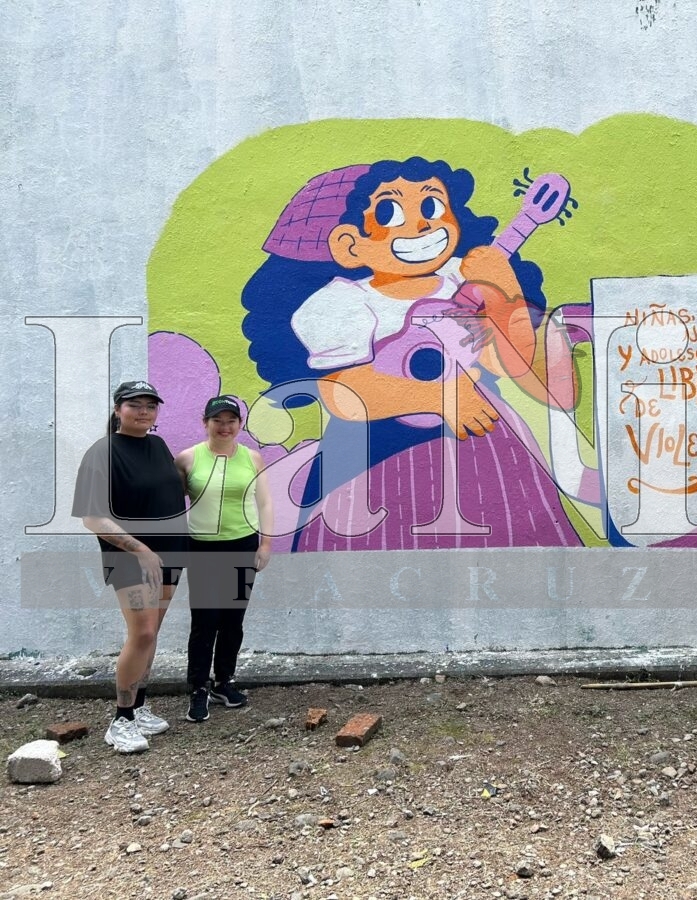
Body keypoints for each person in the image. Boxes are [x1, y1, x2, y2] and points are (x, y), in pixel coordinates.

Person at [241, 158, 581, 551]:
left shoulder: (466, 278)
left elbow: (527, 374)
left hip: (486, 444)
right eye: (390, 212)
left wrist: (505, 294)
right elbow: (342, 392)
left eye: (433, 207)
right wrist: (437, 398)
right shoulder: (343, 303)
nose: (421, 225)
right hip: (374, 458)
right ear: (350, 246)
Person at [72, 381, 186, 753]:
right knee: (142, 634)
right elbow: (93, 518)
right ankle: (120, 720)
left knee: (153, 633)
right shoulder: (102, 452)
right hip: (131, 559)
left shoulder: (157, 445)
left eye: (150, 406)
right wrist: (141, 550)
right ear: (118, 409)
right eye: (134, 404)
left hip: (171, 554)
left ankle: (138, 708)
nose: (143, 411)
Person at [175, 395, 273, 723]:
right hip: (203, 548)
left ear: (239, 425)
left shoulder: (252, 458)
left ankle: (223, 683)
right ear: (205, 423)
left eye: (231, 421)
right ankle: (199, 687)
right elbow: (171, 506)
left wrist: (265, 545)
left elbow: (266, 504)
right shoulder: (187, 459)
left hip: (243, 545)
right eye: (218, 420)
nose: (225, 427)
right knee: (205, 621)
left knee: (232, 620)